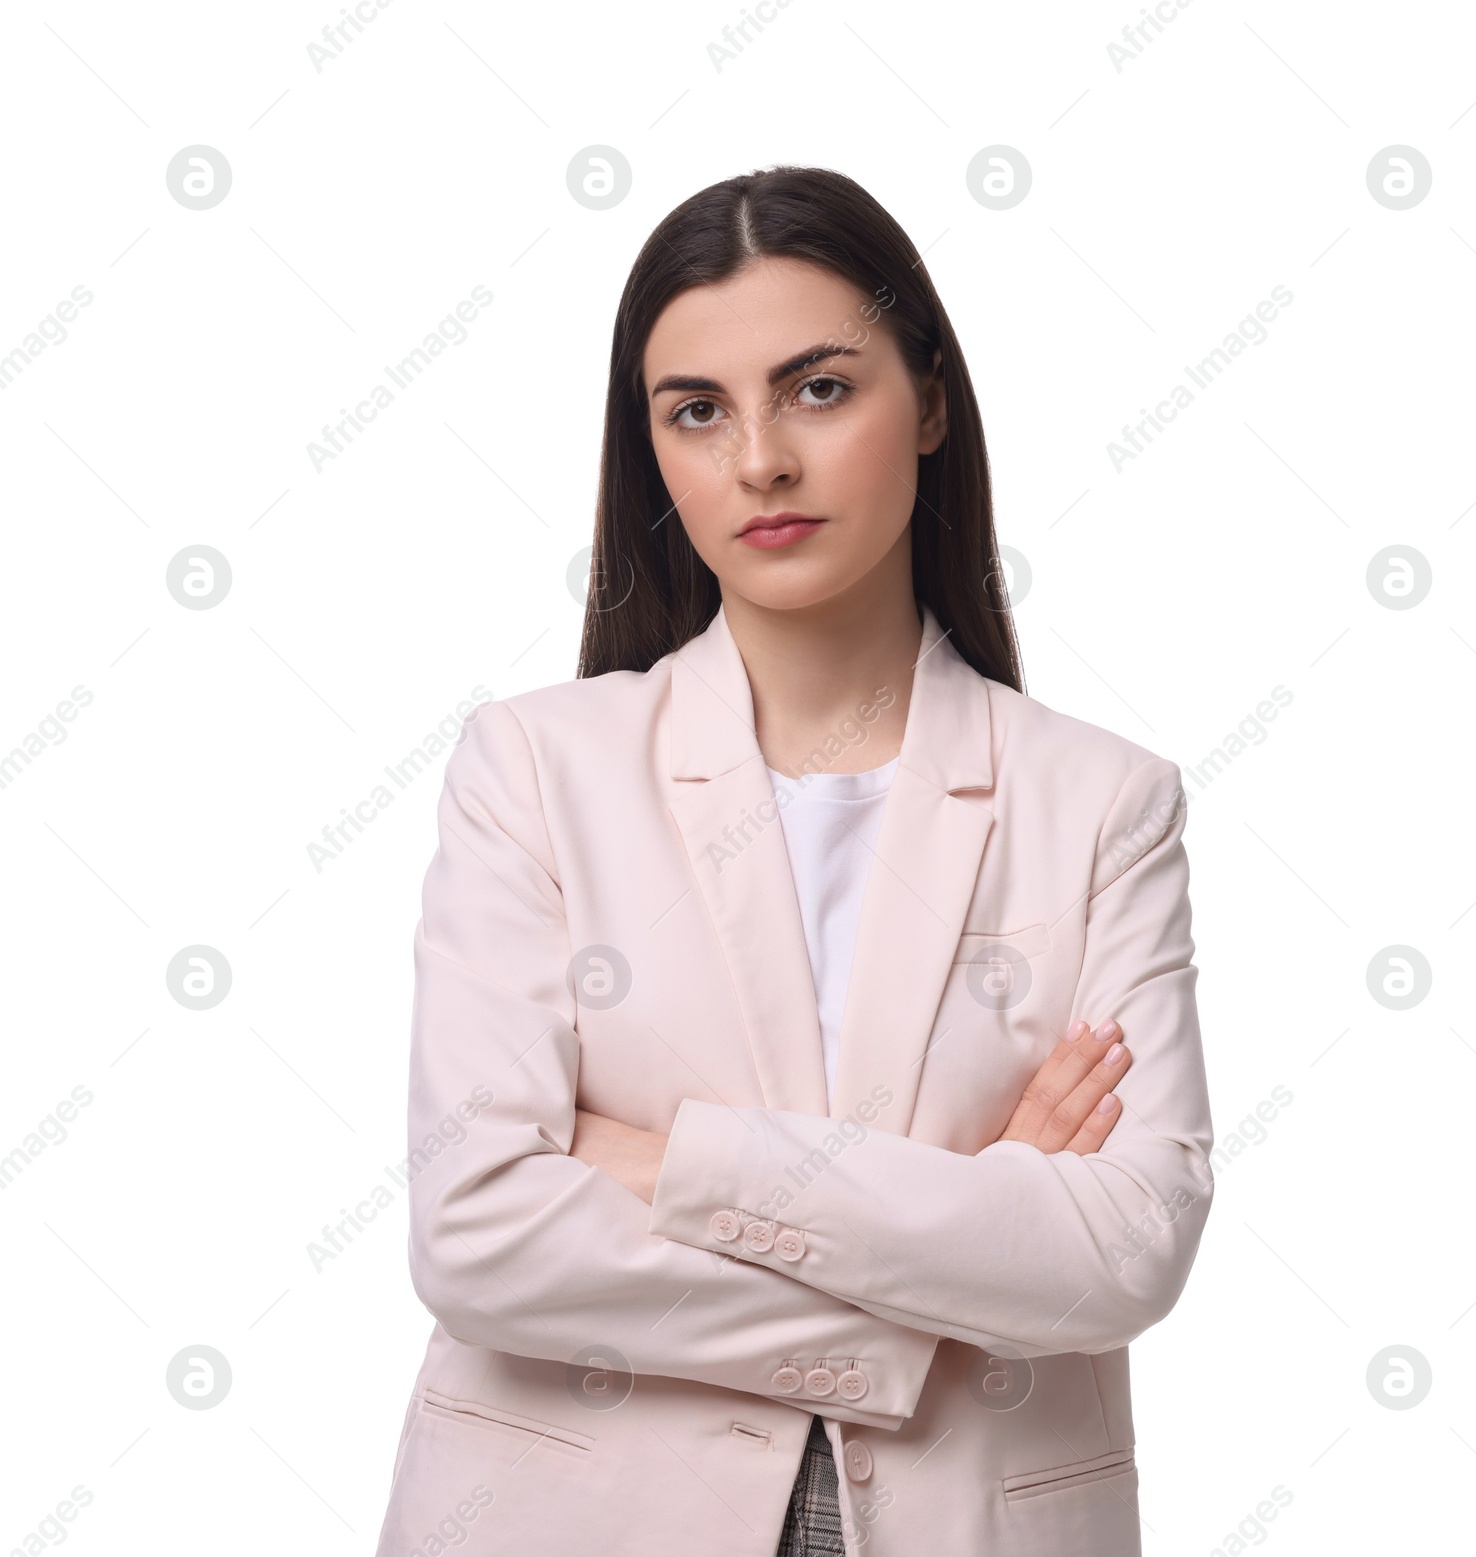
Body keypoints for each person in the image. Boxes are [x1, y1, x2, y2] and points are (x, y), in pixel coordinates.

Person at [374, 165, 1215, 1557]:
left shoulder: (1102, 802)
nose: (759, 458)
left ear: (929, 401)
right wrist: (960, 1245)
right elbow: (475, 1235)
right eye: (696, 411)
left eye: (819, 388)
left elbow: (1126, 1245)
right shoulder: (534, 767)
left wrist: (672, 1159)